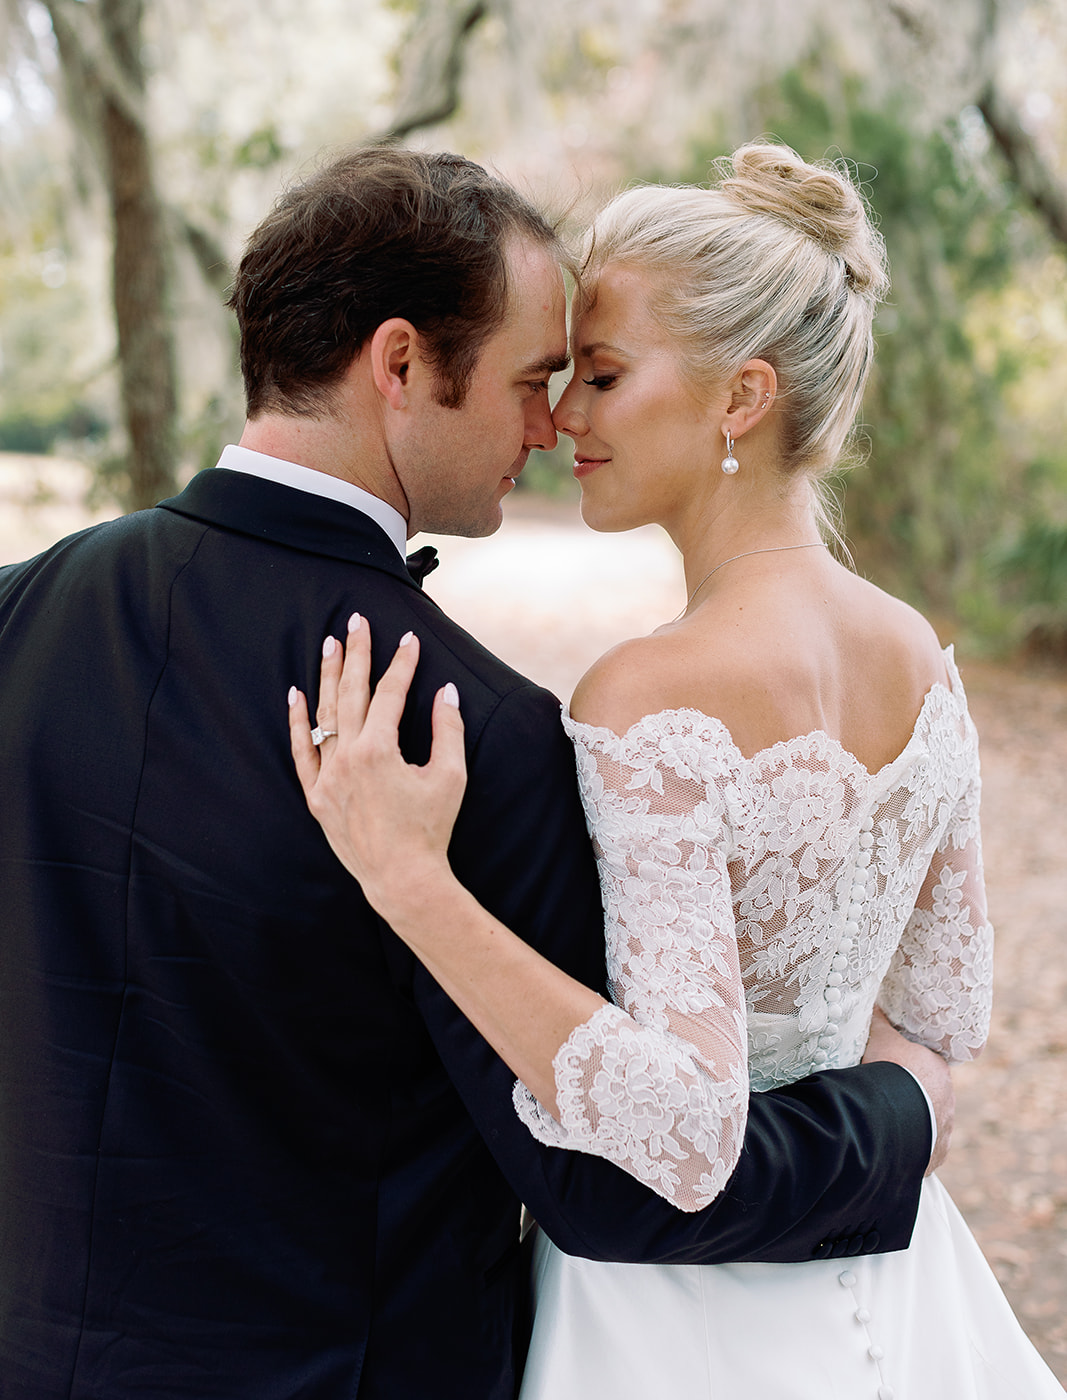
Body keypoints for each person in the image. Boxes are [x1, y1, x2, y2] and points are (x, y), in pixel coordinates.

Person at [1, 147, 949, 1400]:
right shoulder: (473, 736)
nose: (547, 425)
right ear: (399, 365)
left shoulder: (19, 613)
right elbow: (618, 1186)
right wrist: (903, 1124)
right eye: (532, 379)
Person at [289, 144, 1065, 1397]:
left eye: (600, 376)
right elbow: (945, 1012)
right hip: (890, 1274)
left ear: (740, 398)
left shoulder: (648, 695)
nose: (562, 419)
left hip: (672, 1323)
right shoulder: (918, 657)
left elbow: (690, 1130)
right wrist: (900, 1114)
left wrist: (410, 884)